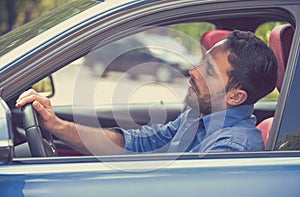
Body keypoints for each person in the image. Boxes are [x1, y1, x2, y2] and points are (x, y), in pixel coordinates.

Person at [16, 30, 278, 155]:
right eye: (201, 62)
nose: (193, 71)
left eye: (208, 71)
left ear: (235, 97)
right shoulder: (198, 118)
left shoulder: (231, 149)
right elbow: (137, 143)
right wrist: (58, 126)